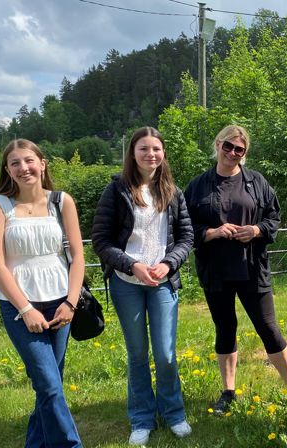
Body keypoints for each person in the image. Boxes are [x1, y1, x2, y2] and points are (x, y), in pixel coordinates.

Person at [184, 124, 287, 415]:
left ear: (245, 153)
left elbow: (274, 217)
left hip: (252, 268)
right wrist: (211, 233)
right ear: (217, 144)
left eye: (240, 149)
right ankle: (228, 392)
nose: (233, 153)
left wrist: (256, 229)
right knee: (225, 329)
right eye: (228, 146)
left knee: (268, 328)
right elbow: (184, 226)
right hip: (215, 269)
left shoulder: (257, 182)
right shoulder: (198, 185)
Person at [91, 126, 194, 446]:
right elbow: (101, 240)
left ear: (163, 154)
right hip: (127, 284)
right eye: (144, 149)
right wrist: (131, 264)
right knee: (137, 354)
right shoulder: (117, 190)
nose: (151, 154)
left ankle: (174, 413)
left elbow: (187, 237)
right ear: (132, 154)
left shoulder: (173, 192)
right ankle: (141, 418)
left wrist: (168, 263)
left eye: (156, 149)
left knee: (165, 354)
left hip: (163, 283)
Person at [0, 139, 84, 448]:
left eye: (28, 160)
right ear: (8, 170)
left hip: (60, 303)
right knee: (50, 385)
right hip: (18, 306)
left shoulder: (61, 201)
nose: (23, 168)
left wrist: (71, 302)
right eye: (15, 163)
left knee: (48, 386)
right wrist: (26, 309)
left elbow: (78, 256)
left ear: (42, 164)